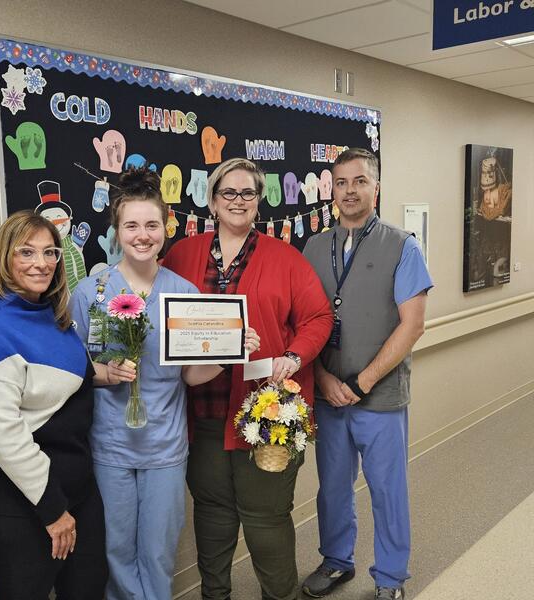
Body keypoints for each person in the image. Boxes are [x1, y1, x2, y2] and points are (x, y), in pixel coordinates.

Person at [69, 168, 260, 600]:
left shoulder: (185, 294)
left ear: (166, 227)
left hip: (165, 448)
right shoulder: (90, 292)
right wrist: (107, 374)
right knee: (115, 549)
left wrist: (230, 352)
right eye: (131, 225)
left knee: (157, 550)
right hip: (110, 445)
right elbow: (75, 372)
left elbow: (191, 374)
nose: (142, 235)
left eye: (152, 225)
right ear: (116, 230)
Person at [162, 158, 333, 600]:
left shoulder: (285, 258)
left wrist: (294, 356)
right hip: (202, 415)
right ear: (212, 201)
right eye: (228, 193)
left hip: (264, 414)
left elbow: (318, 317)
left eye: (248, 193)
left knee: (265, 520)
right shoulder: (182, 254)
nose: (238, 201)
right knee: (213, 515)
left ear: (259, 201)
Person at [0, 210, 107, 600]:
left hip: (72, 488)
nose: (42, 263)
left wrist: (104, 372)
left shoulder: (53, 317)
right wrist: (52, 509)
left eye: (50, 252)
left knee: (88, 586)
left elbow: (56, 384)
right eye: (27, 252)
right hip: (15, 496)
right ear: (5, 258)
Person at [301, 148, 433, 600]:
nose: (349, 191)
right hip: (328, 393)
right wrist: (323, 380)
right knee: (333, 487)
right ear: (331, 190)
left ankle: (390, 578)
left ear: (376, 187)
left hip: (379, 395)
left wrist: (363, 382)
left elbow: (412, 324)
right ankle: (337, 561)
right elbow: (301, 322)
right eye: (341, 182)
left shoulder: (402, 245)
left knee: (386, 489)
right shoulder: (314, 247)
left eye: (359, 181)